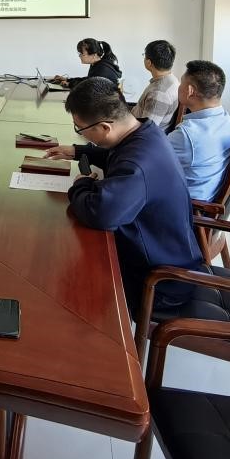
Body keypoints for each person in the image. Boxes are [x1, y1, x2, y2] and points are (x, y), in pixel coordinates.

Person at [43, 78, 203, 314]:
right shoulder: (145, 132)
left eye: (80, 129)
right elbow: (116, 154)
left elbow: (100, 214)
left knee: (57, 275)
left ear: (105, 127)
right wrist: (78, 151)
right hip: (162, 254)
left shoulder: (137, 165)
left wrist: (81, 184)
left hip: (158, 282)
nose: (81, 134)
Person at [169, 60, 230, 202]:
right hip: (208, 196)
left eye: (181, 83)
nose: (178, 87)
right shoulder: (228, 122)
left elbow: (149, 160)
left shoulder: (186, 135)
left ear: (190, 91)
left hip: (186, 205)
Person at [131, 40, 180, 128]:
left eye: (144, 56)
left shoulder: (158, 94)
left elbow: (147, 130)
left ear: (149, 62)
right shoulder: (172, 79)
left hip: (135, 131)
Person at [53, 38, 121, 87]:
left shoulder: (103, 69)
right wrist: (67, 80)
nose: (79, 56)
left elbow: (90, 85)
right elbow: (88, 80)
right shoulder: (97, 64)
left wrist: (69, 84)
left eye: (82, 54)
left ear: (94, 55)